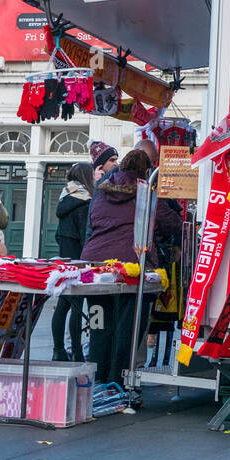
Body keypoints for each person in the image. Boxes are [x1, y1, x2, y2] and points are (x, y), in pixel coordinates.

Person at [81, 147, 182, 384]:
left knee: (100, 326)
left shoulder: (101, 191)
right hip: (132, 266)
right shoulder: (146, 193)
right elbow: (171, 224)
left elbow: (93, 222)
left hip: (98, 265)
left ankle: (97, 378)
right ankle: (117, 381)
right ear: (146, 170)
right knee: (128, 328)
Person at [51, 161, 95, 361]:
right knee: (77, 305)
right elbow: (85, 236)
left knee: (63, 304)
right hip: (81, 261)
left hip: (65, 261)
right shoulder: (85, 201)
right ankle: (76, 351)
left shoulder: (66, 197)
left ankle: (58, 350)